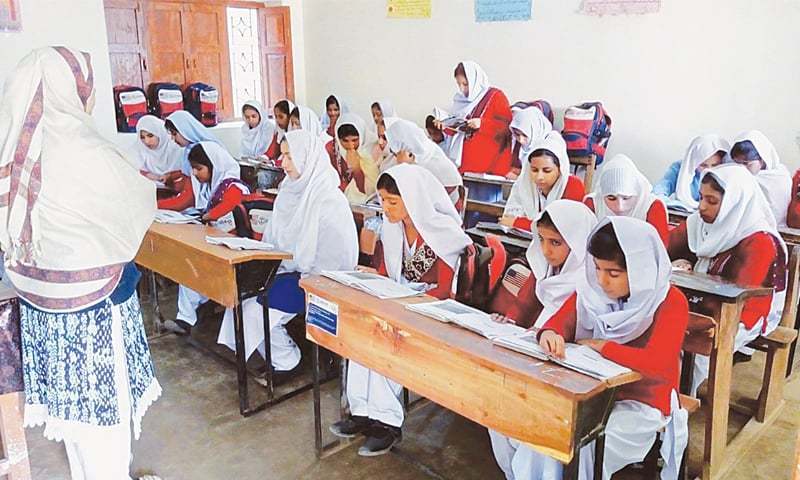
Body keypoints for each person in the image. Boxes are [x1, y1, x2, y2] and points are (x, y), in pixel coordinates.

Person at [0, 46, 160, 480]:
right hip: (94, 314)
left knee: (76, 431)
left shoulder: (17, 148)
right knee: (107, 432)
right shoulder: (83, 148)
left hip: (45, 312)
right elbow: (137, 201)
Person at [519, 217, 689, 480]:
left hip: (641, 402)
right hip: (589, 394)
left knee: (586, 442)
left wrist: (604, 348)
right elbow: (560, 321)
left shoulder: (670, 303)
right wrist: (550, 333)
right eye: (597, 268)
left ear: (640, 269)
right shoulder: (592, 291)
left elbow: (657, 365)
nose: (601, 280)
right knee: (542, 429)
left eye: (613, 273)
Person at [330, 164, 472, 456]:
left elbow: (445, 291)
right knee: (360, 333)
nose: (385, 208)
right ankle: (360, 412)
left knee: (384, 337)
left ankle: (386, 423)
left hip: (431, 310)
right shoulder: (393, 229)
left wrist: (404, 302)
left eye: (393, 201)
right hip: (399, 301)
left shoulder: (443, 232)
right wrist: (367, 278)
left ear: (414, 198)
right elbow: (386, 273)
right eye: (382, 200)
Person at [217, 130, 358, 377]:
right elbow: (273, 240)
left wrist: (297, 275)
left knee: (255, 310)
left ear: (307, 157)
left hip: (317, 280)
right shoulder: (289, 191)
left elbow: (336, 259)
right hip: (285, 269)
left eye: (289, 157)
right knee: (239, 298)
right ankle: (279, 355)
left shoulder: (328, 198)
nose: (282, 163)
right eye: (282, 156)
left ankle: (286, 360)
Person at [488, 201, 597, 477]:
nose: (546, 250)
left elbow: (568, 324)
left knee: (534, 425)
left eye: (556, 243)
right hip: (541, 352)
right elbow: (526, 302)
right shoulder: (547, 269)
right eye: (541, 240)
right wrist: (509, 319)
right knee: (494, 407)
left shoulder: (589, 280)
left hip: (569, 364)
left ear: (577, 241)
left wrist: (542, 332)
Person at [668, 164, 786, 394]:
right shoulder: (698, 224)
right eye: (701, 197)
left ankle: (676, 405)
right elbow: (663, 248)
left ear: (734, 202)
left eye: (712, 201)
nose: (701, 207)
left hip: (743, 313)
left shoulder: (759, 240)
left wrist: (690, 281)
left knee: (689, 347)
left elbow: (740, 296)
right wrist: (671, 266)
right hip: (701, 302)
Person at [162, 142, 250, 334]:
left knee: (196, 265)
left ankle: (192, 314)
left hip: (236, 250)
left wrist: (208, 216)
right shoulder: (211, 186)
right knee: (189, 264)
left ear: (214, 165)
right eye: (193, 168)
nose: (194, 173)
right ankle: (185, 319)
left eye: (199, 168)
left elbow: (230, 204)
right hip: (217, 243)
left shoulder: (233, 184)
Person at [431, 61, 512, 176]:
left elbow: (507, 128)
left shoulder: (495, 96)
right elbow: (457, 131)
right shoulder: (460, 101)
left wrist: (482, 124)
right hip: (464, 166)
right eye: (459, 84)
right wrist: (443, 126)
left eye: (465, 84)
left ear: (475, 80)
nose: (462, 89)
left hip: (488, 168)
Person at [501, 132, 585, 231]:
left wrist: (518, 222)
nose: (539, 177)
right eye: (534, 170)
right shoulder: (524, 183)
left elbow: (562, 229)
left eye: (547, 171)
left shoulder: (573, 185)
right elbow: (506, 221)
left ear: (560, 169)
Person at [584, 154, 669, 246]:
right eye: (611, 198)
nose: (620, 207)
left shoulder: (652, 207)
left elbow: (659, 252)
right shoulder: (593, 203)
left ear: (637, 192)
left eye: (626, 198)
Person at [385, 118, 463, 206]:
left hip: (447, 204)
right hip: (442, 202)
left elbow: (412, 195)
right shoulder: (423, 148)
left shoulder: (421, 158)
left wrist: (403, 165)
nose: (395, 155)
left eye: (395, 152)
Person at [729, 130, 792, 227]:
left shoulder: (779, 177)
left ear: (762, 159)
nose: (742, 168)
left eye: (746, 163)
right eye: (737, 163)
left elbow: (778, 212)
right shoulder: (734, 175)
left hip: (779, 230)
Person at [652, 134, 729, 210]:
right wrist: (680, 205)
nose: (708, 170)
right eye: (703, 165)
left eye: (715, 165)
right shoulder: (679, 168)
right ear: (694, 161)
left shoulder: (727, 175)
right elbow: (658, 193)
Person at [334, 112, 380, 203]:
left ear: (362, 135)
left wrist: (356, 168)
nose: (351, 145)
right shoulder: (333, 149)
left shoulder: (373, 150)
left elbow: (370, 191)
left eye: (355, 140)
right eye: (345, 141)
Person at [134, 115, 183, 183]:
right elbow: (139, 171)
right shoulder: (141, 151)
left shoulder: (176, 148)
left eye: (150, 136)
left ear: (160, 133)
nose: (146, 141)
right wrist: (157, 178)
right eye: (142, 137)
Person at [507, 106, 553, 180]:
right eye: (517, 134)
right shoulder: (516, 143)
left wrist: (517, 177)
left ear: (534, 131)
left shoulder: (549, 146)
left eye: (525, 135)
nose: (521, 140)